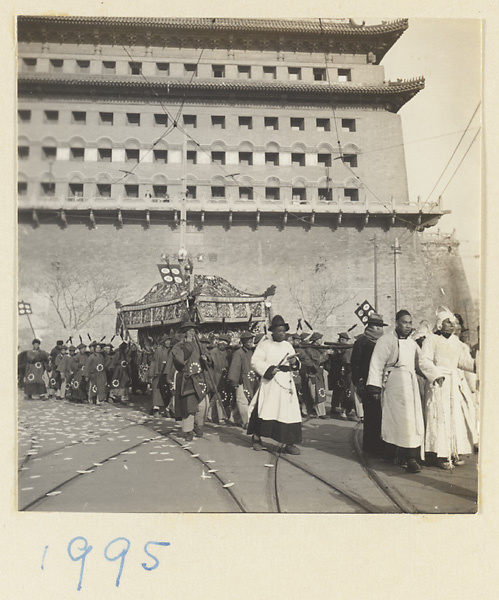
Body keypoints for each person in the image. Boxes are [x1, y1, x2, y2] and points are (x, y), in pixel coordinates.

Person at [367, 310, 425, 473]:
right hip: (394, 383)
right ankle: (394, 453)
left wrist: (434, 374)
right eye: (404, 322)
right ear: (397, 323)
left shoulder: (413, 344)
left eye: (410, 323)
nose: (408, 326)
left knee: (411, 420)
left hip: (411, 383)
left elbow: (421, 363)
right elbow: (377, 363)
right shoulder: (386, 341)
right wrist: (374, 387)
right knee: (395, 420)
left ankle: (411, 456)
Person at [419, 307, 476, 469]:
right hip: (438, 383)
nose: (452, 325)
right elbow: (424, 361)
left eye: (453, 323)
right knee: (439, 417)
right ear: (439, 325)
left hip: (452, 383)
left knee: (454, 417)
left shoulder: (455, 342)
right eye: (448, 322)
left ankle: (453, 451)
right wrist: (436, 374)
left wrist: (477, 365)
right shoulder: (430, 340)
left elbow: (462, 362)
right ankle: (440, 455)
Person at [247, 315, 302, 454]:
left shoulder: (288, 345)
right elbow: (255, 361)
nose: (282, 333)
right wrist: (269, 369)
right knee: (266, 409)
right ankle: (257, 437)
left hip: (286, 384)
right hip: (271, 382)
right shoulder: (265, 344)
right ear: (273, 331)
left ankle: (289, 443)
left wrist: (295, 363)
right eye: (279, 331)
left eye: (283, 331)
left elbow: (294, 362)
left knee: (289, 413)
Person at [351, 312, 388, 456]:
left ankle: (382, 443)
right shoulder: (361, 342)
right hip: (367, 384)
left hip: (383, 383)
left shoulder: (385, 341)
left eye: (380, 326)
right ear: (369, 326)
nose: (378, 329)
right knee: (371, 415)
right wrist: (358, 384)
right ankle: (370, 446)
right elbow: (355, 364)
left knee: (382, 415)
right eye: (375, 326)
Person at [171, 320, 213, 441]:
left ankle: (198, 425)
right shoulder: (178, 347)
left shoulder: (200, 346)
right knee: (189, 407)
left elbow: (209, 356)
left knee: (203, 405)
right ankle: (188, 430)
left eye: (193, 331)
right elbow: (180, 360)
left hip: (200, 379)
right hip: (187, 380)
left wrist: (207, 358)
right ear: (184, 333)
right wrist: (188, 345)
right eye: (189, 331)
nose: (191, 333)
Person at [227, 331, 259, 428]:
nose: (250, 343)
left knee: (244, 400)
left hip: (251, 380)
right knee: (242, 401)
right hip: (241, 381)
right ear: (244, 342)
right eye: (248, 341)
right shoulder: (238, 353)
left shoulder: (252, 352)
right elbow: (235, 367)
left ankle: (234, 418)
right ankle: (247, 422)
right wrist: (234, 381)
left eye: (251, 341)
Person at [328, 332, 354, 419]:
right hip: (336, 372)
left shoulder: (348, 349)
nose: (342, 341)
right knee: (337, 390)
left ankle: (345, 408)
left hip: (344, 372)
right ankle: (334, 407)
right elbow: (332, 360)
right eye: (341, 339)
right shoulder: (336, 348)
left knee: (344, 391)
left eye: (343, 339)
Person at [149, 335, 172, 416]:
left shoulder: (171, 351)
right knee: (157, 391)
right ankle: (156, 410)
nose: (168, 342)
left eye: (169, 340)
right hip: (158, 374)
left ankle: (167, 410)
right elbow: (154, 362)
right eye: (166, 341)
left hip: (167, 374)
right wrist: (153, 373)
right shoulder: (159, 350)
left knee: (167, 392)